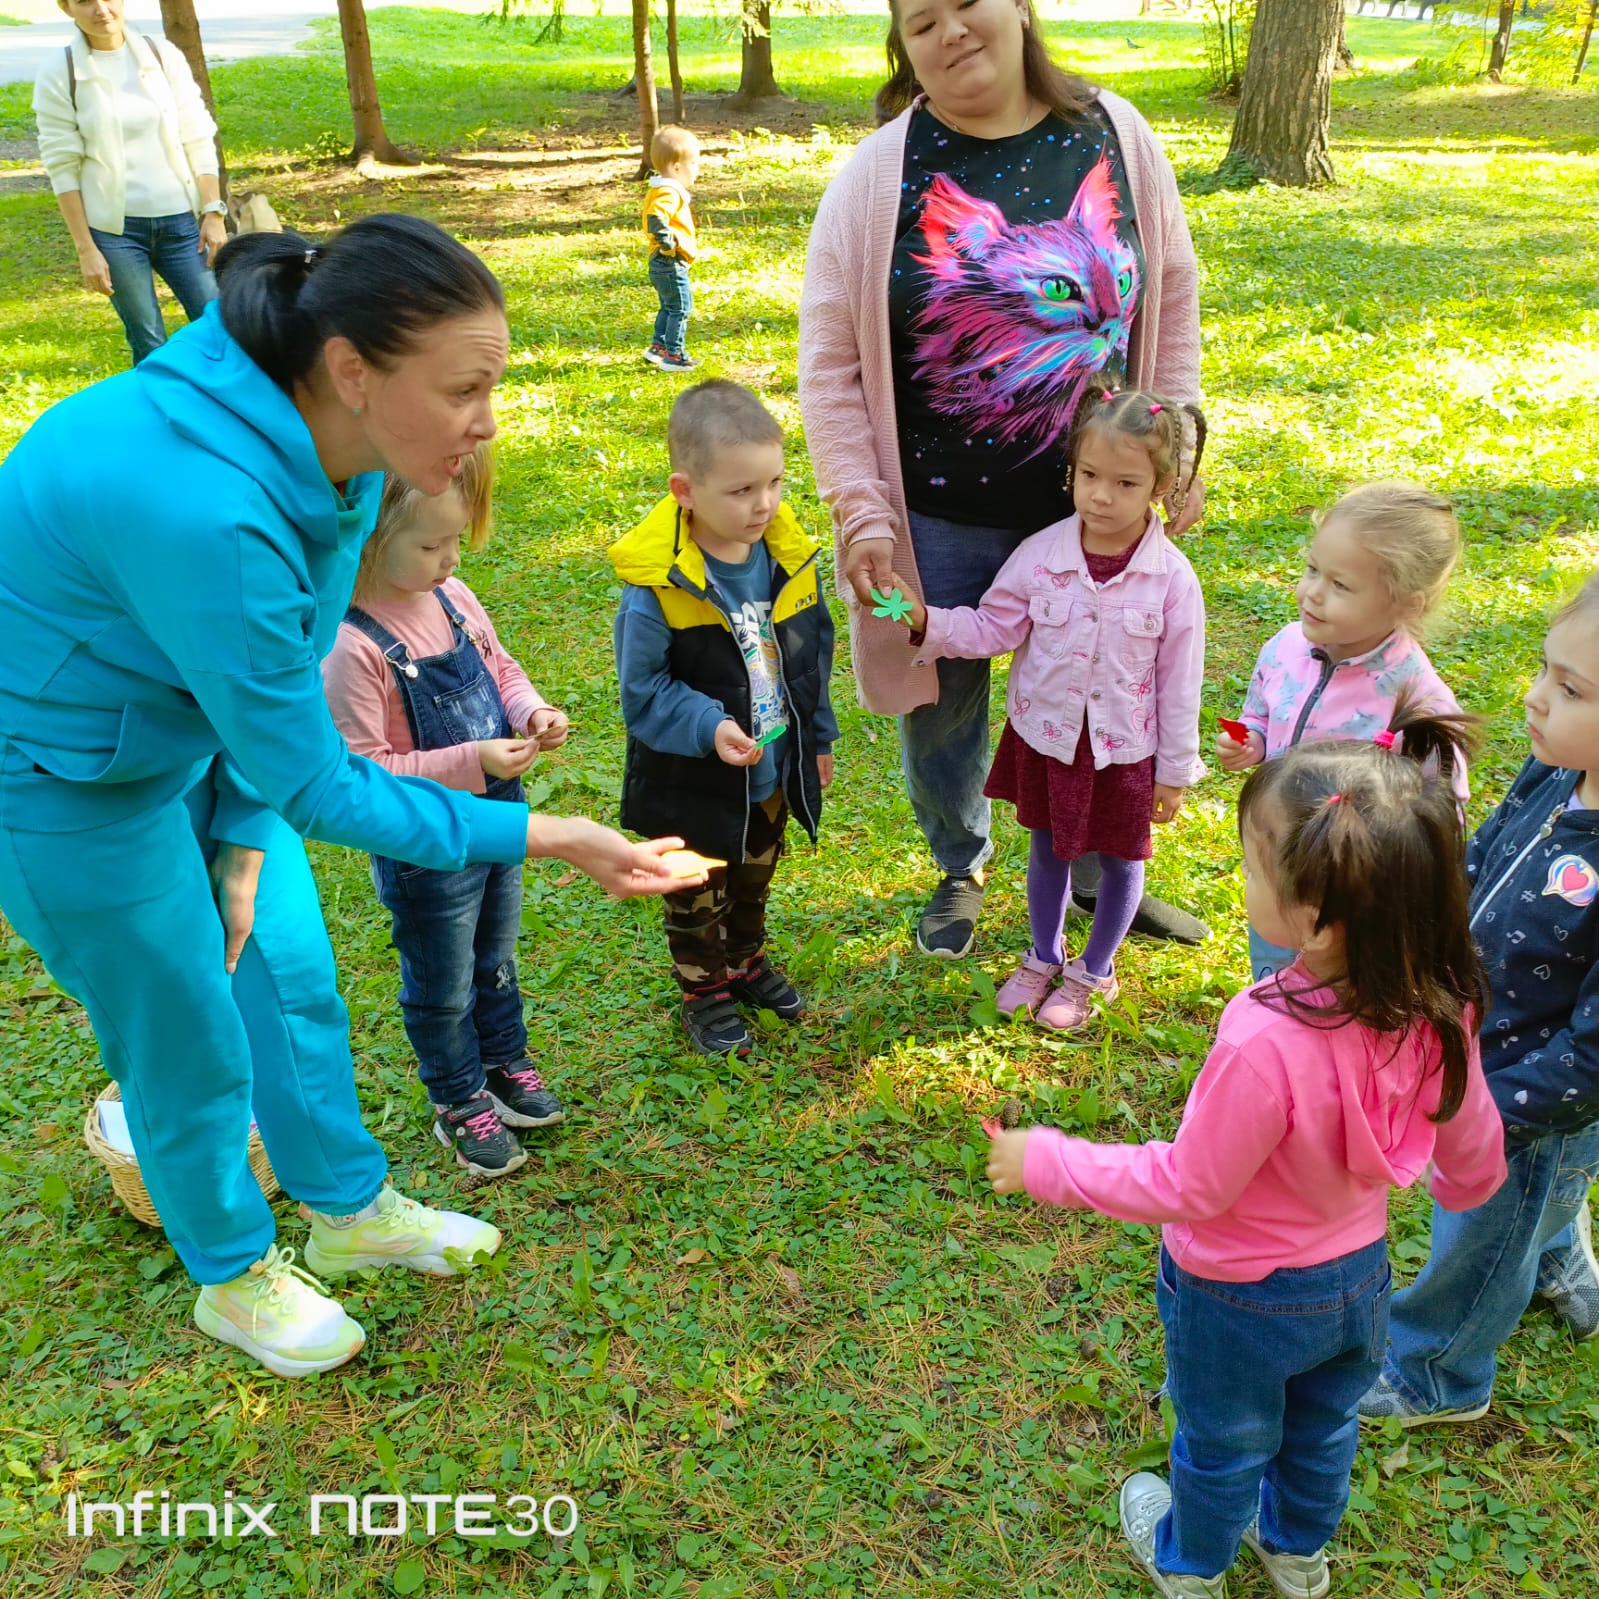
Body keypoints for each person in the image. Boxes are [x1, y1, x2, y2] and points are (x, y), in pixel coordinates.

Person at [0, 214, 698, 1380]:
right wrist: (553, 833)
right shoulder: (210, 511)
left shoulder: (337, 448)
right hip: (58, 778)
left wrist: (233, 837)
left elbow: (269, 696)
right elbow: (320, 778)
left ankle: (346, 1205)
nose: (488, 422)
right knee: (182, 1028)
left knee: (289, 977)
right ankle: (233, 1275)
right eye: (467, 388)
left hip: (197, 728)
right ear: (352, 372)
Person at [987, 721, 1507, 1598]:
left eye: (1250, 866)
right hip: (1356, 1278)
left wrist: (1051, 1162)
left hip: (1238, 1294)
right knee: (1323, 1426)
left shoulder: (1265, 1038)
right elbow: (1474, 1150)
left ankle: (1190, 1564)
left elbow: (1190, 1184)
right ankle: (1297, 1553)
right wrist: (1458, 1184)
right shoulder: (1438, 1003)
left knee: (1223, 1439)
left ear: (1309, 918)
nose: (1242, 880)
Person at [798, 0, 1208, 962]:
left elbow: (1174, 290)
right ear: (902, 46)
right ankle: (961, 863)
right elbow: (830, 368)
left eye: (964, 2)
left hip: (1097, 513)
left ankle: (1103, 870)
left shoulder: (1116, 134)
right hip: (938, 515)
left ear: (1019, 8)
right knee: (942, 704)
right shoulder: (871, 178)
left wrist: (1176, 439)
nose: (949, 30)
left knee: (1113, 694)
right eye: (918, 20)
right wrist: (861, 510)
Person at [880, 388, 1205, 1030]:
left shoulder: (1172, 580)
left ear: (1161, 487)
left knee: (1120, 858)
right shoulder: (1040, 556)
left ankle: (1094, 971)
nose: (1101, 496)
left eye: (1124, 482)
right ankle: (1043, 955)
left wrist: (1174, 771)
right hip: (1048, 738)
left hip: (1124, 750)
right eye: (1088, 476)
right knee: (1047, 847)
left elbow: (1180, 683)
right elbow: (992, 629)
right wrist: (923, 621)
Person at [1362, 573, 1599, 1428]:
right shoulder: (1558, 767)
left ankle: (1437, 1371)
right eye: (1545, 668)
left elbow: (1591, 1055)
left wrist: (1480, 1116)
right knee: (1548, 1196)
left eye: (1570, 689)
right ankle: (1558, 1262)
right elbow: (1487, 850)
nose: (1535, 699)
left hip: (1531, 1095)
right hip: (1481, 1043)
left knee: (1484, 1226)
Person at [324, 448, 571, 1181]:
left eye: (455, 540)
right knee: (442, 975)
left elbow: (500, 668)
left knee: (494, 955)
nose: (449, 557)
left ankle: (503, 1060)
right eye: (431, 545)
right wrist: (472, 762)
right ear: (369, 539)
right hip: (424, 844)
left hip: (498, 817)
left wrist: (532, 711)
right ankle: (458, 1097)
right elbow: (363, 775)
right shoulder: (349, 645)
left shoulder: (454, 597)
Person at [610, 381, 839, 1058]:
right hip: (693, 777)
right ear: (685, 490)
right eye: (740, 491)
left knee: (753, 875)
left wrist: (816, 736)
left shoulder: (787, 558)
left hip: (769, 765)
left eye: (772, 482)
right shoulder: (658, 587)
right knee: (693, 887)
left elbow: (811, 658)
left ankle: (744, 961)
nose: (762, 503)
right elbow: (641, 688)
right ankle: (702, 987)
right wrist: (709, 725)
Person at [1215, 481, 1471, 980]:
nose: (1312, 592)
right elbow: (1262, 711)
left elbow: (1441, 811)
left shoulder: (1416, 698)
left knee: (1339, 990)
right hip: (1280, 863)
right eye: (1313, 570)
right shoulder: (1286, 645)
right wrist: (1252, 740)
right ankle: (1273, 1025)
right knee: (1273, 967)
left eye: (1340, 585)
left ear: (1407, 605)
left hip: (1351, 886)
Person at [32, 0, 227, 365]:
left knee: (219, 328)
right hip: (115, 233)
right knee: (148, 340)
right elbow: (62, 166)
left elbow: (197, 132)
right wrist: (86, 249)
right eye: (85, 1)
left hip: (184, 225)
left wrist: (213, 211)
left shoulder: (161, 54)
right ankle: (162, 417)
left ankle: (225, 411)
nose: (101, 9)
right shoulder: (60, 70)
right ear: (67, 8)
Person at [642, 124, 701, 373]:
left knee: (668, 306)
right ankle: (674, 355)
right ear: (677, 167)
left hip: (660, 262)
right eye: (694, 164)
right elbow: (656, 217)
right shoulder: (669, 192)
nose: (696, 170)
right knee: (680, 307)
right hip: (669, 261)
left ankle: (658, 348)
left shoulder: (658, 188)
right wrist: (669, 245)